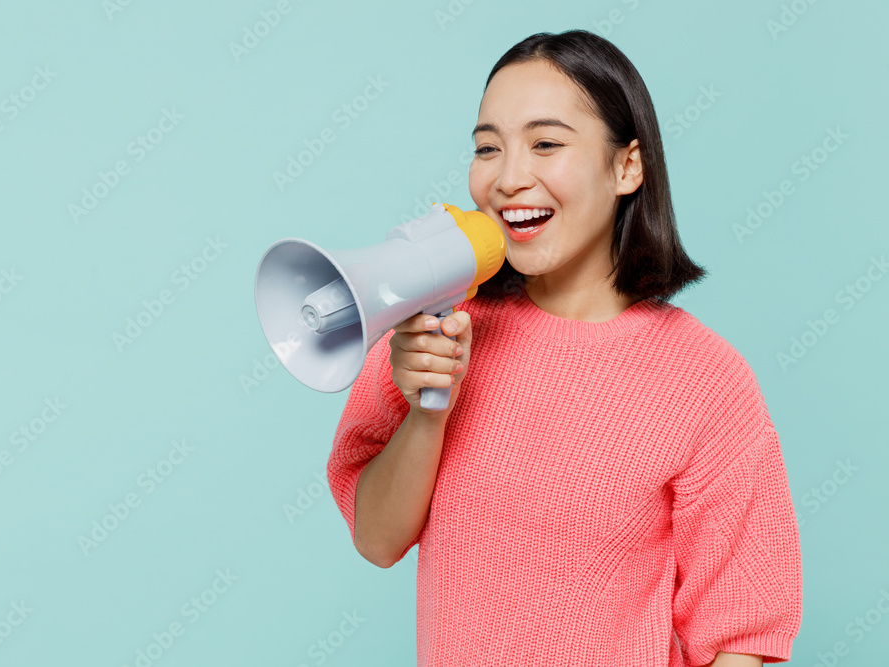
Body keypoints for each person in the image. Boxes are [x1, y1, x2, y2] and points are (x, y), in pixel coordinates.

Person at [326, 29, 802, 666]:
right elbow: (377, 540)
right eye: (487, 148)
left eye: (546, 143)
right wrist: (427, 414)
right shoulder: (439, 329)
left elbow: (743, 637)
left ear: (626, 166)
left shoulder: (705, 380)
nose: (509, 178)